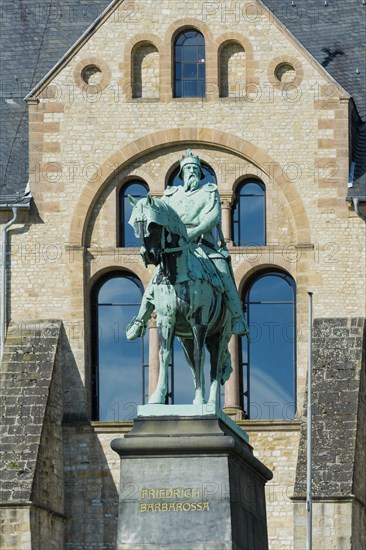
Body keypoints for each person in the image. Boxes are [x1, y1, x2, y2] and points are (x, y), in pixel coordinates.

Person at [126, 149, 248, 340]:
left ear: (199, 173)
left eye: (194, 168)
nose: (191, 171)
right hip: (175, 246)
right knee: (156, 279)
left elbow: (213, 217)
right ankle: (140, 320)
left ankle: (237, 317)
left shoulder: (209, 192)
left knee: (223, 271)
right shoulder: (170, 195)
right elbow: (160, 217)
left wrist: (193, 233)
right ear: (182, 173)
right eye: (187, 168)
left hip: (203, 245)